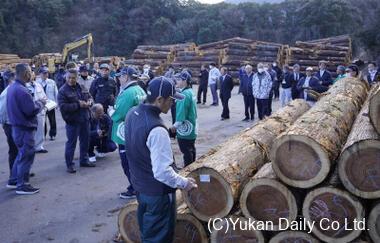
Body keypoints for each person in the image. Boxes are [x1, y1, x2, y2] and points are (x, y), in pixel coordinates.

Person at [125, 77, 197, 242]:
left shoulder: (132, 113)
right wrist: (185, 183)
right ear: (159, 99)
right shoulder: (157, 129)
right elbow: (162, 172)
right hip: (158, 195)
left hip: (140, 187)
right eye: (171, 99)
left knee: (148, 233)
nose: (172, 103)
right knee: (159, 238)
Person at [6, 64, 46, 194]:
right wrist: (41, 103)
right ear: (25, 73)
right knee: (26, 156)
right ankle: (23, 185)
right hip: (24, 128)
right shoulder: (22, 91)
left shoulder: (13, 87)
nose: (32, 74)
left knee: (21, 155)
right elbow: (31, 110)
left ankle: (14, 180)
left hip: (17, 128)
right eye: (30, 72)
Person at [111, 66, 146, 199]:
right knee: (135, 162)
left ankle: (134, 188)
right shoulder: (139, 89)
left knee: (127, 163)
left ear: (126, 76)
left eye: (120, 76)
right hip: (136, 131)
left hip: (125, 134)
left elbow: (118, 114)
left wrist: (110, 112)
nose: (119, 78)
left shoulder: (127, 93)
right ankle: (137, 186)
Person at [58, 69, 95, 173]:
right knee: (71, 143)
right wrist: (79, 105)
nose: (71, 80)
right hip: (72, 121)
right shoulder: (63, 91)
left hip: (85, 119)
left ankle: (84, 160)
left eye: (73, 78)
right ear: (66, 77)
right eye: (69, 77)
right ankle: (69, 164)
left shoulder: (82, 87)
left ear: (77, 78)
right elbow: (63, 107)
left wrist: (90, 102)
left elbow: (90, 97)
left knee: (85, 141)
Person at [171, 72, 198, 167]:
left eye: (178, 79)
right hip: (192, 126)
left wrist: (174, 127)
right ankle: (193, 167)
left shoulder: (184, 95)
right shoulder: (190, 91)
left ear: (185, 81)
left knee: (186, 152)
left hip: (185, 130)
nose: (176, 81)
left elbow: (181, 114)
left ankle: (188, 170)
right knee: (191, 149)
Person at [0, 71, 18, 183]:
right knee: (14, 151)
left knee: (19, 150)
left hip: (13, 124)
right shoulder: (7, 92)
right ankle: (13, 177)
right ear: (12, 79)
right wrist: (6, 123)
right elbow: (1, 111)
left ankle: (19, 171)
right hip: (10, 125)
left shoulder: (13, 90)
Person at [28, 70, 48, 153]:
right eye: (30, 75)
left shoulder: (38, 85)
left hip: (40, 111)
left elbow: (44, 96)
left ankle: (39, 147)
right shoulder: (24, 86)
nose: (31, 76)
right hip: (30, 111)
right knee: (30, 131)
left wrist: (44, 101)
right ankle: (30, 147)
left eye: (32, 75)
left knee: (40, 129)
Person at [37, 67, 58, 141]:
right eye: (44, 73)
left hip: (50, 104)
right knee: (42, 121)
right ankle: (43, 134)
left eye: (47, 73)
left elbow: (56, 93)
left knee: (52, 120)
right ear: (40, 74)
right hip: (41, 105)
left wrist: (57, 103)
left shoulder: (52, 82)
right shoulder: (37, 83)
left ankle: (52, 134)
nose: (46, 75)